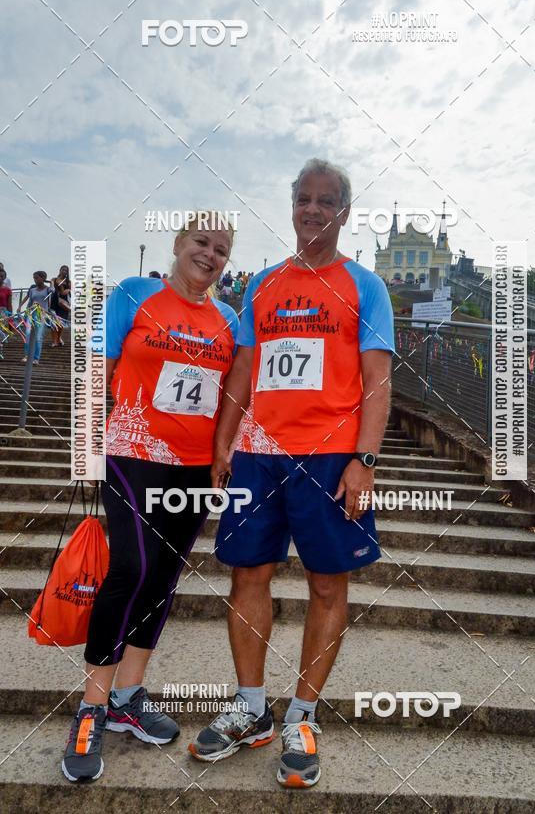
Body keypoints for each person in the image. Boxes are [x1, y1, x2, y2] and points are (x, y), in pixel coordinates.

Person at [189, 159, 394, 789]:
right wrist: (224, 444)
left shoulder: (365, 286)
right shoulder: (265, 284)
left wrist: (364, 459)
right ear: (292, 207)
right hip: (258, 453)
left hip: (331, 456)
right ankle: (252, 709)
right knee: (247, 575)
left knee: (328, 585)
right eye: (302, 199)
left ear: (344, 212)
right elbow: (243, 374)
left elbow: (378, 379)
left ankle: (302, 718)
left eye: (324, 200)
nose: (311, 209)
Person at [61, 212, 238, 783]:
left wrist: (221, 457)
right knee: (131, 568)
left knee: (162, 578)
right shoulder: (132, 295)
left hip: (190, 470)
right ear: (178, 242)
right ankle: (91, 706)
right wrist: (86, 447)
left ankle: (128, 696)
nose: (210, 255)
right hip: (131, 454)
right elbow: (97, 368)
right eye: (201, 242)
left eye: (222, 250)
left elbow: (232, 394)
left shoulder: (229, 319)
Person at [18, 271, 52, 365]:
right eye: (34, 278)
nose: (35, 280)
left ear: (43, 278)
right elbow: (28, 298)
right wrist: (20, 306)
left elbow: (53, 291)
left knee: (38, 336)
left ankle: (36, 358)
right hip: (31, 314)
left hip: (41, 315)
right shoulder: (33, 289)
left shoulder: (47, 289)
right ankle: (27, 355)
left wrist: (50, 282)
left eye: (37, 278)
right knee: (28, 334)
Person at [50, 265, 71, 348]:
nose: (64, 271)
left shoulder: (69, 282)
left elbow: (66, 293)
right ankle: (54, 341)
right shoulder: (54, 279)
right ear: (60, 270)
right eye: (63, 270)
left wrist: (67, 289)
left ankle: (58, 338)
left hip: (64, 304)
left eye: (66, 270)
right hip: (54, 302)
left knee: (61, 323)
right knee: (54, 322)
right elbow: (51, 288)